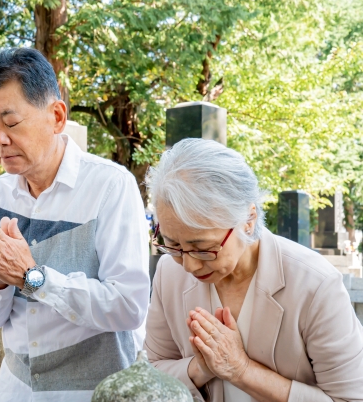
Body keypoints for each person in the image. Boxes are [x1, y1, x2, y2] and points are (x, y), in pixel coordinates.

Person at [0, 48, 150, 402]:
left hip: (96, 392)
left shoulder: (110, 186)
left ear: (57, 116)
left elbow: (129, 306)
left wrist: (33, 278)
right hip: (17, 390)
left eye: (11, 122)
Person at [144, 138, 363, 402]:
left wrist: (242, 370)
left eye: (203, 248)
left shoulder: (315, 284)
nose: (188, 265)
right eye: (173, 244)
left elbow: (350, 398)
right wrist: (199, 368)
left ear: (248, 220)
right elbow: (149, 374)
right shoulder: (169, 274)